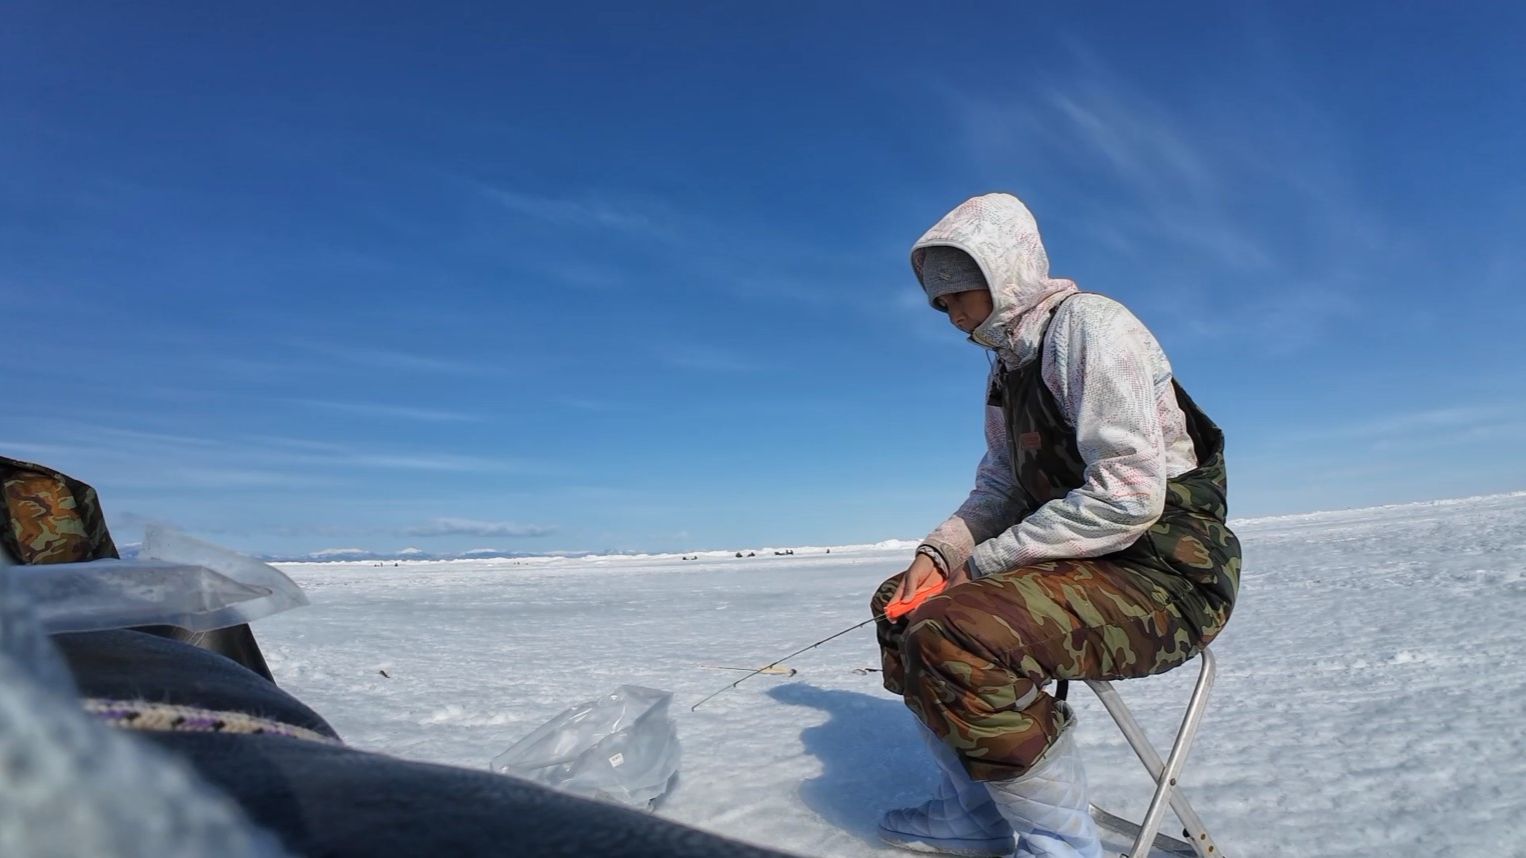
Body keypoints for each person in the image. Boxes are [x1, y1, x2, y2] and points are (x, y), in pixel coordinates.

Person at [871, 193, 1241, 858]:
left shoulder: (1090, 331)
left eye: (961, 293)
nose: (951, 313)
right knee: (902, 606)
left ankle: (1061, 848)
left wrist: (983, 564)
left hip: (1163, 577)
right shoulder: (1006, 371)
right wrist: (943, 549)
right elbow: (1002, 485)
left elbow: (1128, 495)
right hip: (1085, 567)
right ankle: (973, 813)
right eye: (940, 302)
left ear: (1004, 272)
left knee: (957, 633)